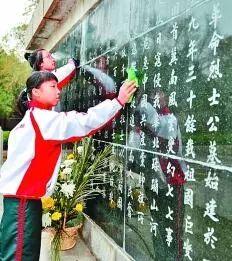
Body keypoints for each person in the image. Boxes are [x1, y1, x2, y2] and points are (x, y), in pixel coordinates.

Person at [0, 71, 137, 260]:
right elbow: (84, 122)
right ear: (36, 92)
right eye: (52, 86)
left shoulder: (30, 119)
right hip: (22, 204)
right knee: (18, 256)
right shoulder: (43, 120)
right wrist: (119, 101)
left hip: (20, 202)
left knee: (22, 254)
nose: (58, 91)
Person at [18, 49, 79, 115]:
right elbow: (70, 68)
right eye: (48, 57)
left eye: (52, 56)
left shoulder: (36, 80)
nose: (53, 59)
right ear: (40, 63)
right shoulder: (45, 80)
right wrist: (72, 61)